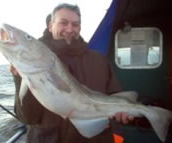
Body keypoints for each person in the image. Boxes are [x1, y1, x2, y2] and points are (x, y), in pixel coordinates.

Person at [10, 3, 134, 143]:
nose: (69, 29)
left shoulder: (99, 60)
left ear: (80, 28)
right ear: (50, 26)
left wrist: (121, 112)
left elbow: (114, 96)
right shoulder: (35, 59)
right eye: (63, 23)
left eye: (75, 24)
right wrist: (20, 79)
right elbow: (28, 118)